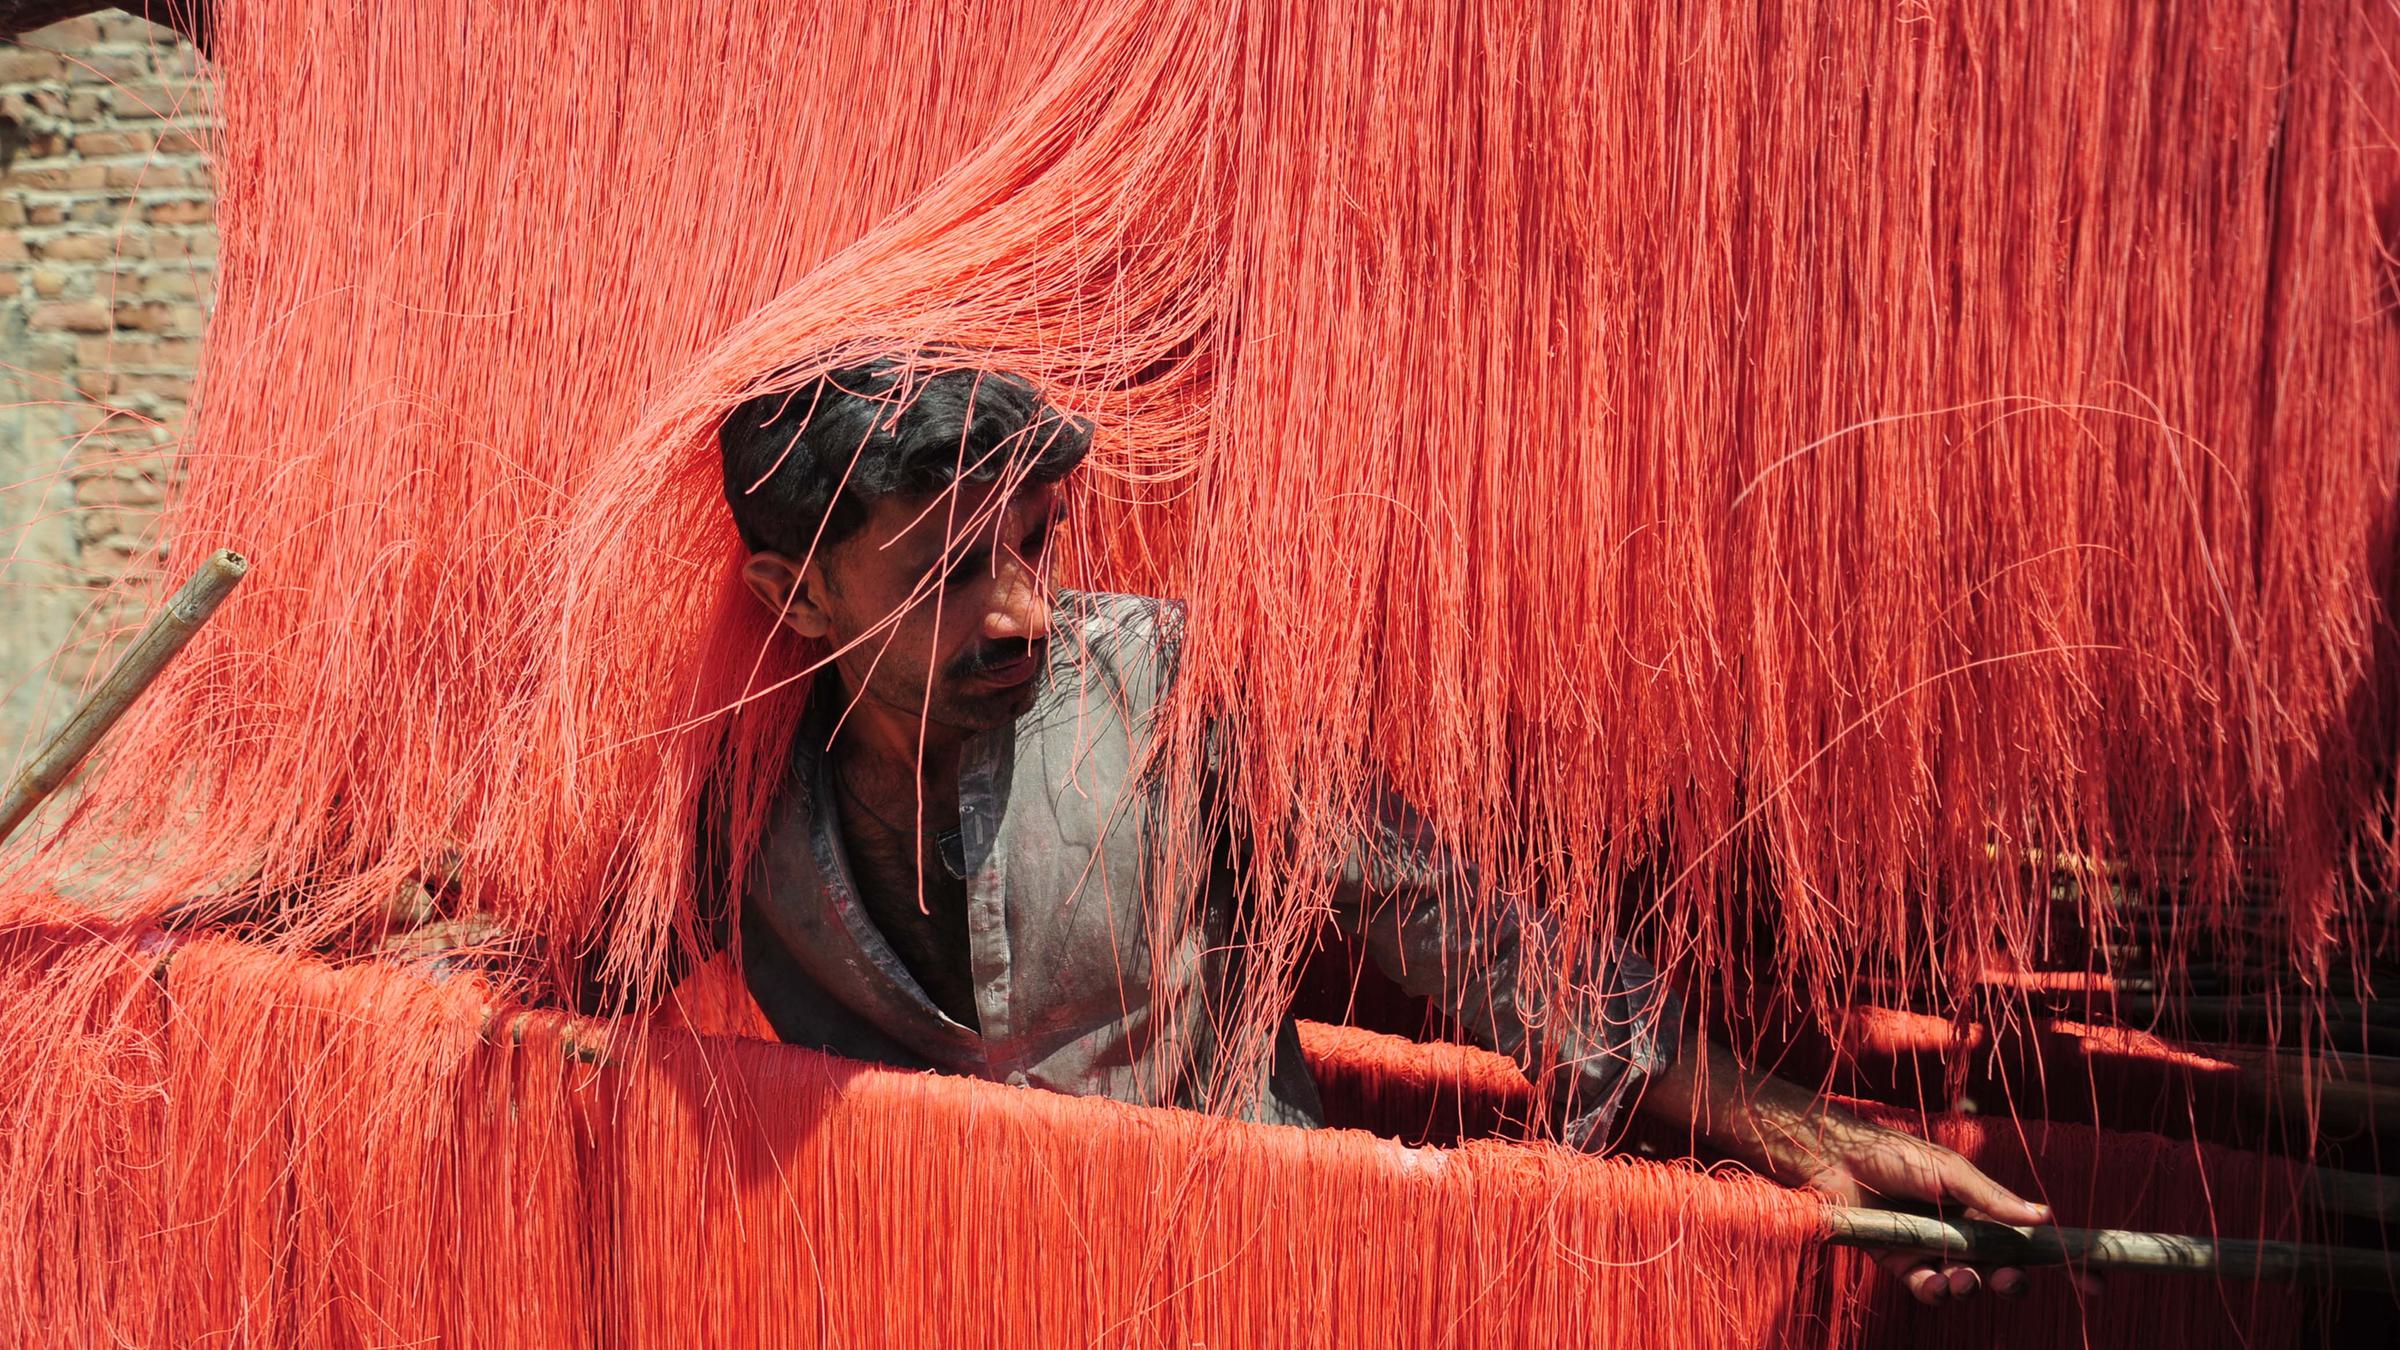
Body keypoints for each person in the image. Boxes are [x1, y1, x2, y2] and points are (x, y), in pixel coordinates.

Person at [714, 356, 2054, 1305]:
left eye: (1035, 543)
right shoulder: (718, 805)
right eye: (947, 569)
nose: (1021, 614)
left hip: (1248, 1297)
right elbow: (558, 982)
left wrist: (1815, 1140)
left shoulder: (1158, 693)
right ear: (799, 595)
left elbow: (1469, 935)